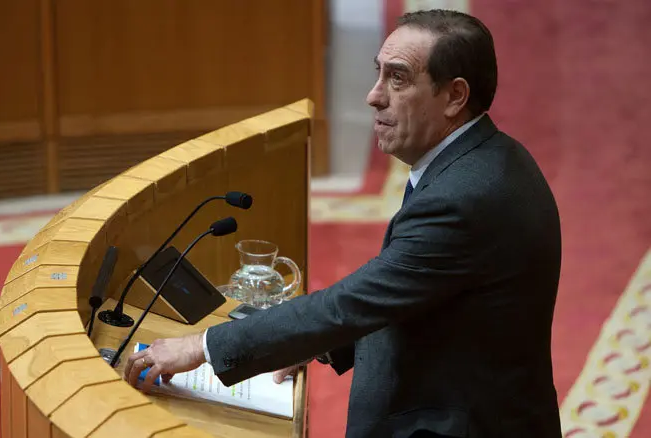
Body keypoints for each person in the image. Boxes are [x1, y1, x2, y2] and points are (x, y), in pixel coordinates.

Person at [124, 9, 562, 438]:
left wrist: (201, 347)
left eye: (399, 78)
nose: (374, 96)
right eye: (379, 73)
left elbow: (357, 301)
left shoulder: (466, 197)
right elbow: (409, 291)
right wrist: (306, 340)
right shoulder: (484, 158)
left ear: (454, 97)